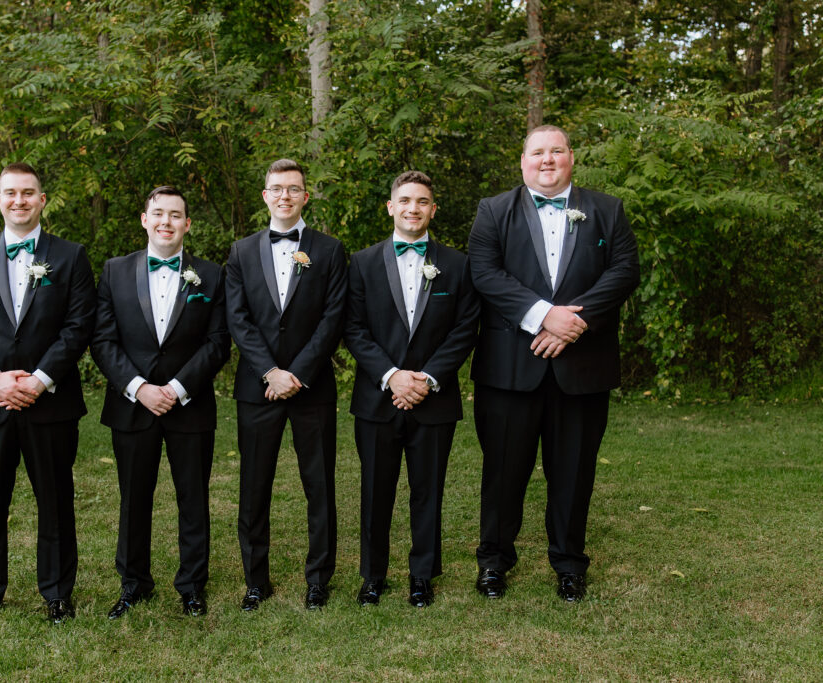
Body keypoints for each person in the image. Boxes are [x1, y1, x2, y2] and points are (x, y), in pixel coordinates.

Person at [468, 125, 640, 601]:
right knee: (503, 472)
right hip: (509, 368)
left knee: (574, 472)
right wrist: (544, 315)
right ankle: (493, 562)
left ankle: (569, 564)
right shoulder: (493, 211)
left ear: (571, 158)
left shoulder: (607, 209)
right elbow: (484, 273)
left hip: (582, 369)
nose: (547, 160)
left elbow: (625, 271)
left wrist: (573, 323)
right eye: (538, 152)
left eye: (557, 151)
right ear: (523, 160)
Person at [0, 162, 96, 629]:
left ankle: (57, 595)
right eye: (11, 192)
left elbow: (78, 326)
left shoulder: (71, 256)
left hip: (50, 402)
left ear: (42, 200)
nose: (19, 200)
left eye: (28, 192)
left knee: (56, 501)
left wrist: (39, 380)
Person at [90, 186, 230, 618]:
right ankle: (133, 584)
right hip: (132, 405)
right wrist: (139, 387)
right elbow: (103, 339)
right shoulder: (114, 271)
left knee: (194, 499)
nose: (166, 222)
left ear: (187, 224)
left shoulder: (212, 275)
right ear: (144, 219)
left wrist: (177, 388)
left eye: (175, 215)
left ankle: (192, 585)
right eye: (158, 213)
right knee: (133, 499)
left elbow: (218, 342)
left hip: (190, 404)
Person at [345, 171, 479, 608]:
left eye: (422, 201)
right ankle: (373, 576)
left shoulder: (457, 265)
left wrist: (426, 378)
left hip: (433, 398)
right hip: (377, 398)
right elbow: (354, 328)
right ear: (391, 207)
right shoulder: (362, 263)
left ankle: (422, 575)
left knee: (428, 491)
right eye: (405, 200)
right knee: (374, 491)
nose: (413, 208)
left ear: (433, 210)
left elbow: (465, 329)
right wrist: (392, 376)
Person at [224, 159, 347, 611]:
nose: (285, 196)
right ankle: (256, 580)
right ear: (265, 196)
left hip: (312, 387)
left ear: (305, 196)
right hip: (258, 389)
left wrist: (297, 373)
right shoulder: (241, 252)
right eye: (277, 188)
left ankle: (319, 579)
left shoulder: (330, 251)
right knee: (254, 487)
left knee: (319, 485)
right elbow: (237, 318)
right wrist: (270, 372)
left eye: (293, 189)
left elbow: (334, 317)